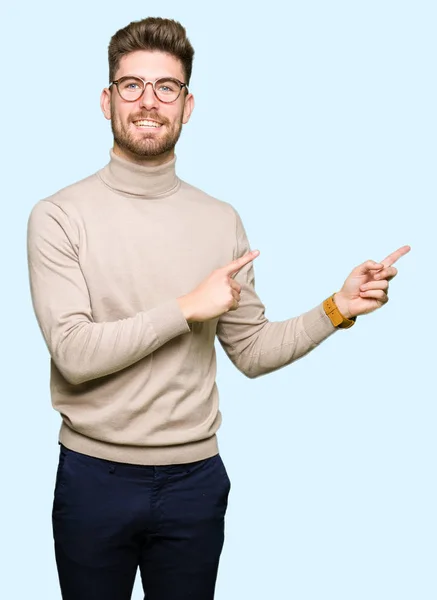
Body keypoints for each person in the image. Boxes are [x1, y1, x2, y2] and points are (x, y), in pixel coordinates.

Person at [26, 16, 410, 600]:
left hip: (194, 482)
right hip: (93, 480)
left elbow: (251, 352)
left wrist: (336, 307)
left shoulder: (220, 219)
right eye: (131, 86)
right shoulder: (58, 216)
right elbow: (74, 354)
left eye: (166, 87)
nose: (148, 102)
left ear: (188, 104)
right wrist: (187, 306)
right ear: (107, 101)